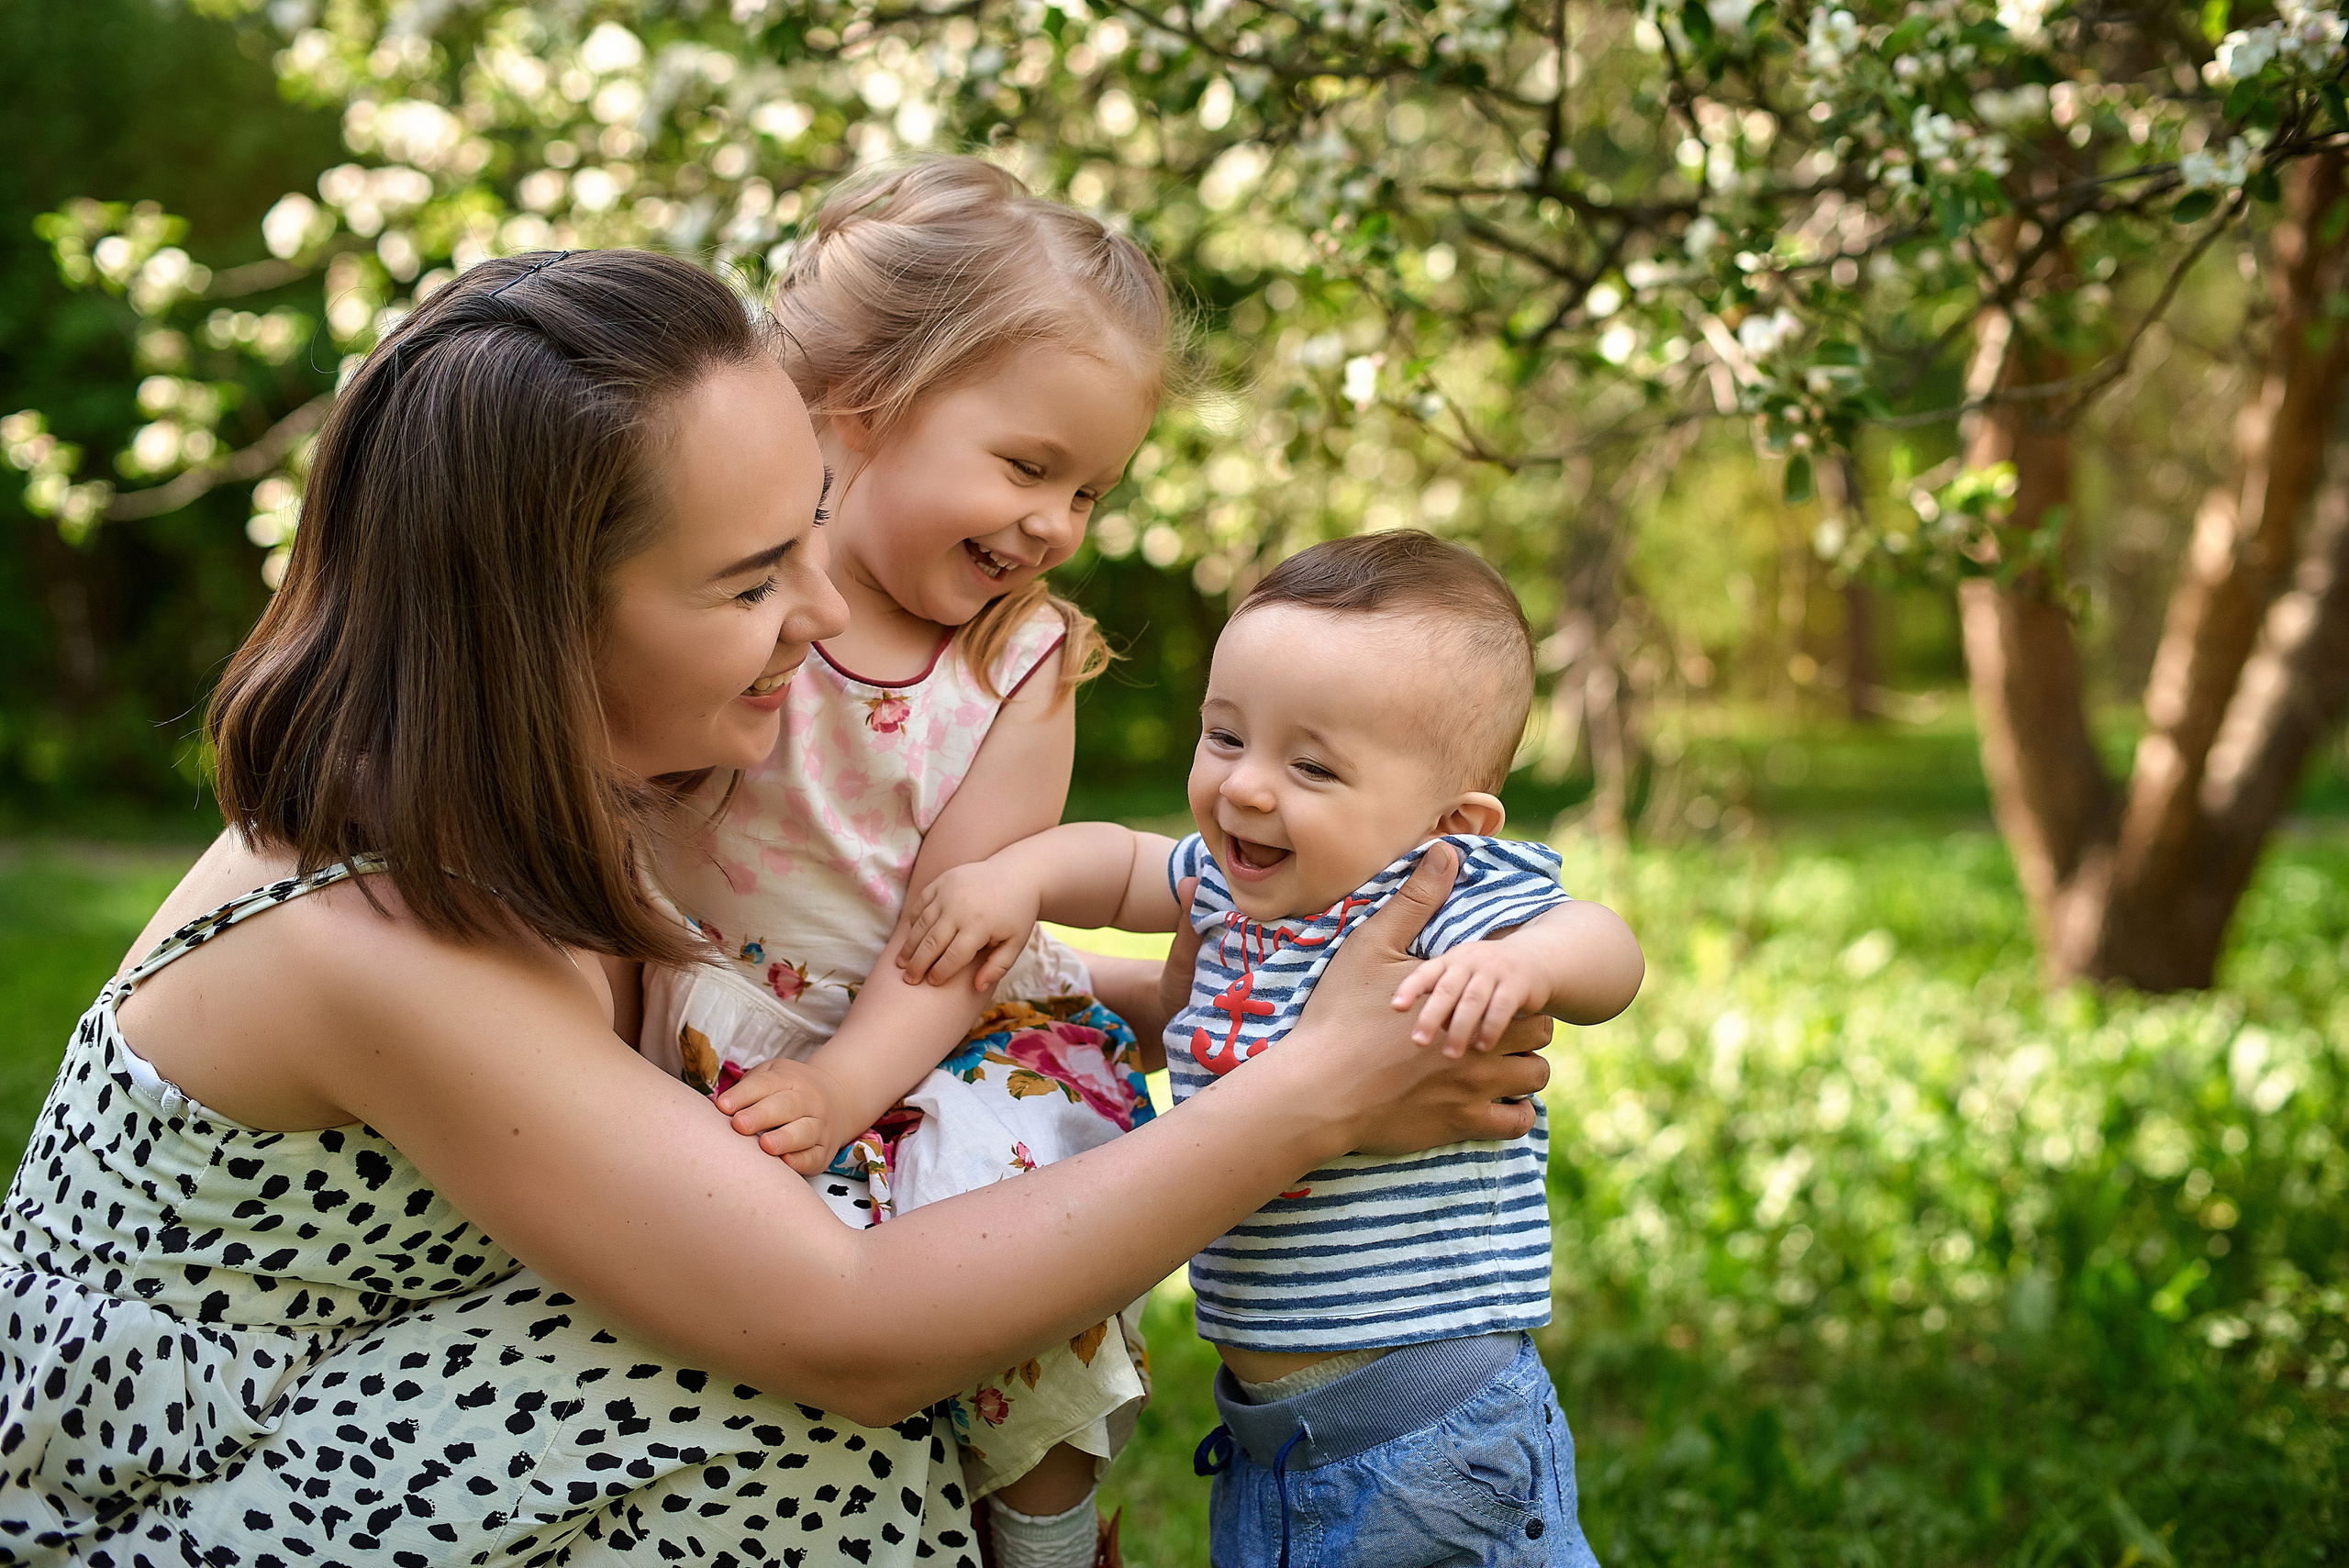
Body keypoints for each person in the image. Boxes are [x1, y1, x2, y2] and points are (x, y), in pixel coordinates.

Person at [0, 251, 1554, 1565]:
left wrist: (1154, 996)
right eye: (749, 581)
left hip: (371, 1381)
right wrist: (1313, 1092)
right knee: (807, 1414)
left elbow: (854, 963)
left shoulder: (587, 780)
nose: (820, 612)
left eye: (816, 521)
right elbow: (851, 1325)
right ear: (535, 626)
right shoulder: (375, 924)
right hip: (157, 1493)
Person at [893, 531, 1647, 1567]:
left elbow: (1609, 946)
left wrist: (1526, 963)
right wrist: (1014, 879)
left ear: (1451, 823)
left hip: (1433, 1433)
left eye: (1311, 765)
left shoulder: (1433, 891)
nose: (1245, 787)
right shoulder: (1227, 883)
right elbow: (1119, 864)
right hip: (1269, 1442)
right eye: (1225, 735)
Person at [636, 155, 1171, 1565]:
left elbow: (961, 930)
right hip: (718, 1008)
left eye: (1091, 491)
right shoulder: (731, 591)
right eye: (1028, 466)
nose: (1056, 523)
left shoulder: (1019, 662)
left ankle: (1048, 1539)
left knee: (1007, 1239)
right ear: (863, 403)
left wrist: (844, 1085)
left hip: (934, 1027)